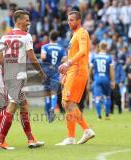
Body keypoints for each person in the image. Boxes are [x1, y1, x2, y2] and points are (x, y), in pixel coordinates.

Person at [0, 10, 46, 149]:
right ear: (18, 21)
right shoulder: (26, 36)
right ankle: (0, 141)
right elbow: (32, 57)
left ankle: (31, 139)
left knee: (23, 105)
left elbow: (0, 58)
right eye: (26, 20)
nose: (28, 22)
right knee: (12, 106)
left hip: (9, 75)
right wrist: (40, 72)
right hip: (18, 76)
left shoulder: (4, 37)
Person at [57, 11, 95, 146]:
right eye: (68, 20)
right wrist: (66, 72)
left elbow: (83, 51)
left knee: (68, 103)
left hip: (78, 71)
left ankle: (85, 130)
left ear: (79, 21)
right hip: (73, 71)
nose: (69, 22)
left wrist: (68, 63)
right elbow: (74, 54)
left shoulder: (82, 33)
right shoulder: (74, 35)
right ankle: (72, 137)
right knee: (66, 103)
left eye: (72, 20)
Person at [40, 30, 67, 122]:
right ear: (57, 38)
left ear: (49, 37)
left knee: (47, 93)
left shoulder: (45, 47)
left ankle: (48, 114)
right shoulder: (61, 48)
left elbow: (43, 57)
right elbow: (64, 59)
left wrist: (48, 58)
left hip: (47, 72)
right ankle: (52, 107)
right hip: (56, 72)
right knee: (54, 93)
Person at [90, 42, 115, 120]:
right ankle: (107, 115)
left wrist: (90, 79)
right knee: (107, 97)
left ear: (99, 47)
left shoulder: (94, 57)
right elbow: (111, 70)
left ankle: (99, 115)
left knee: (97, 98)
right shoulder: (109, 58)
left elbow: (90, 70)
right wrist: (113, 81)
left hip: (97, 79)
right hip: (106, 79)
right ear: (106, 48)